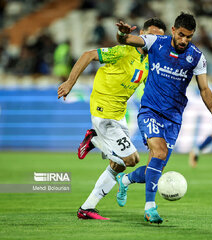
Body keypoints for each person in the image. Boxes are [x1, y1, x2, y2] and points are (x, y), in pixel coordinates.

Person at [114, 12, 212, 224]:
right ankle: (150, 208)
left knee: (155, 168)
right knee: (159, 151)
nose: (184, 40)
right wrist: (122, 35)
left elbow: (204, 88)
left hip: (174, 119)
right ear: (174, 31)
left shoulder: (196, 57)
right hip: (150, 110)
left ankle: (126, 179)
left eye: (189, 37)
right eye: (182, 35)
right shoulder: (156, 42)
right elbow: (129, 40)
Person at [57, 18, 167, 220]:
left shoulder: (151, 61)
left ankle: (87, 208)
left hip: (118, 113)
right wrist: (70, 82)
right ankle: (94, 140)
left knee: (120, 165)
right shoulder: (124, 51)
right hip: (104, 111)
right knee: (130, 159)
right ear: (141, 34)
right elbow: (89, 54)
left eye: (159, 38)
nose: (153, 40)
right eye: (149, 35)